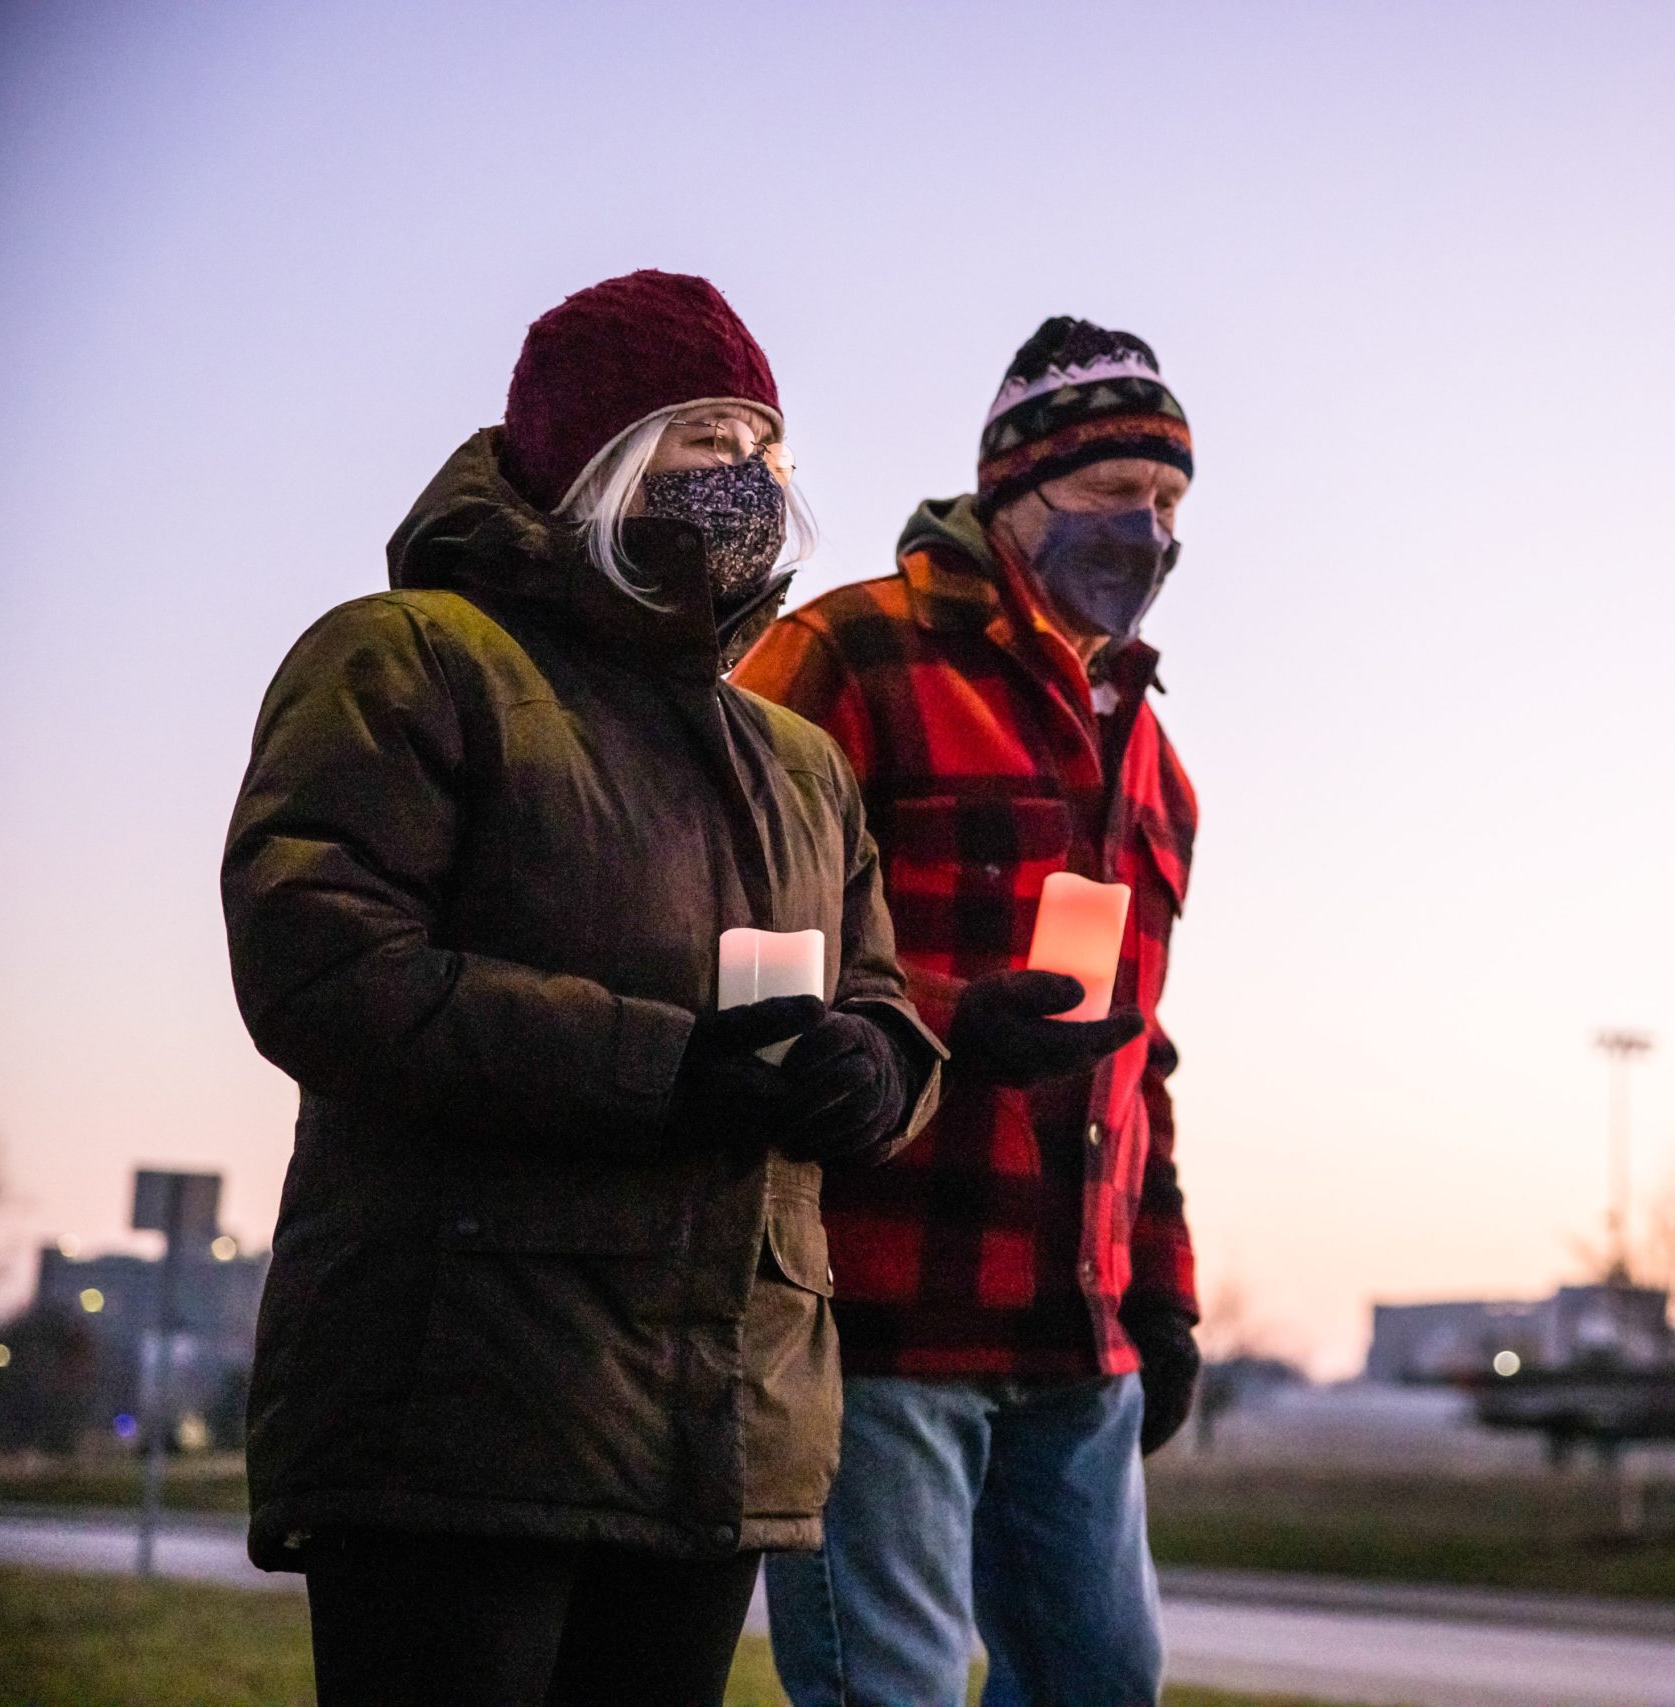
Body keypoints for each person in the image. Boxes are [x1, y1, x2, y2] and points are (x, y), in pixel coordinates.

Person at [220, 269, 943, 1707]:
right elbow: (323, 960)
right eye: (702, 444)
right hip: (461, 1408)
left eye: (763, 449)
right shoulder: (410, 657)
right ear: (599, 467)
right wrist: (664, 1067)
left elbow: (884, 1000)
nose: (744, 479)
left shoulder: (796, 761)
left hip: (722, 1421)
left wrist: (879, 1069)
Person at [735, 315, 1202, 1705]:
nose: (1153, 530)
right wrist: (944, 1021)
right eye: (1120, 493)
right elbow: (737, 935)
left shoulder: (1154, 758)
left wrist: (1163, 1293)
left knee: (1103, 1680)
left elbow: (1146, 1054)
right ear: (1014, 491)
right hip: (884, 1310)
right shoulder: (847, 653)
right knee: (896, 1691)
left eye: (1172, 501)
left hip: (1079, 1327)